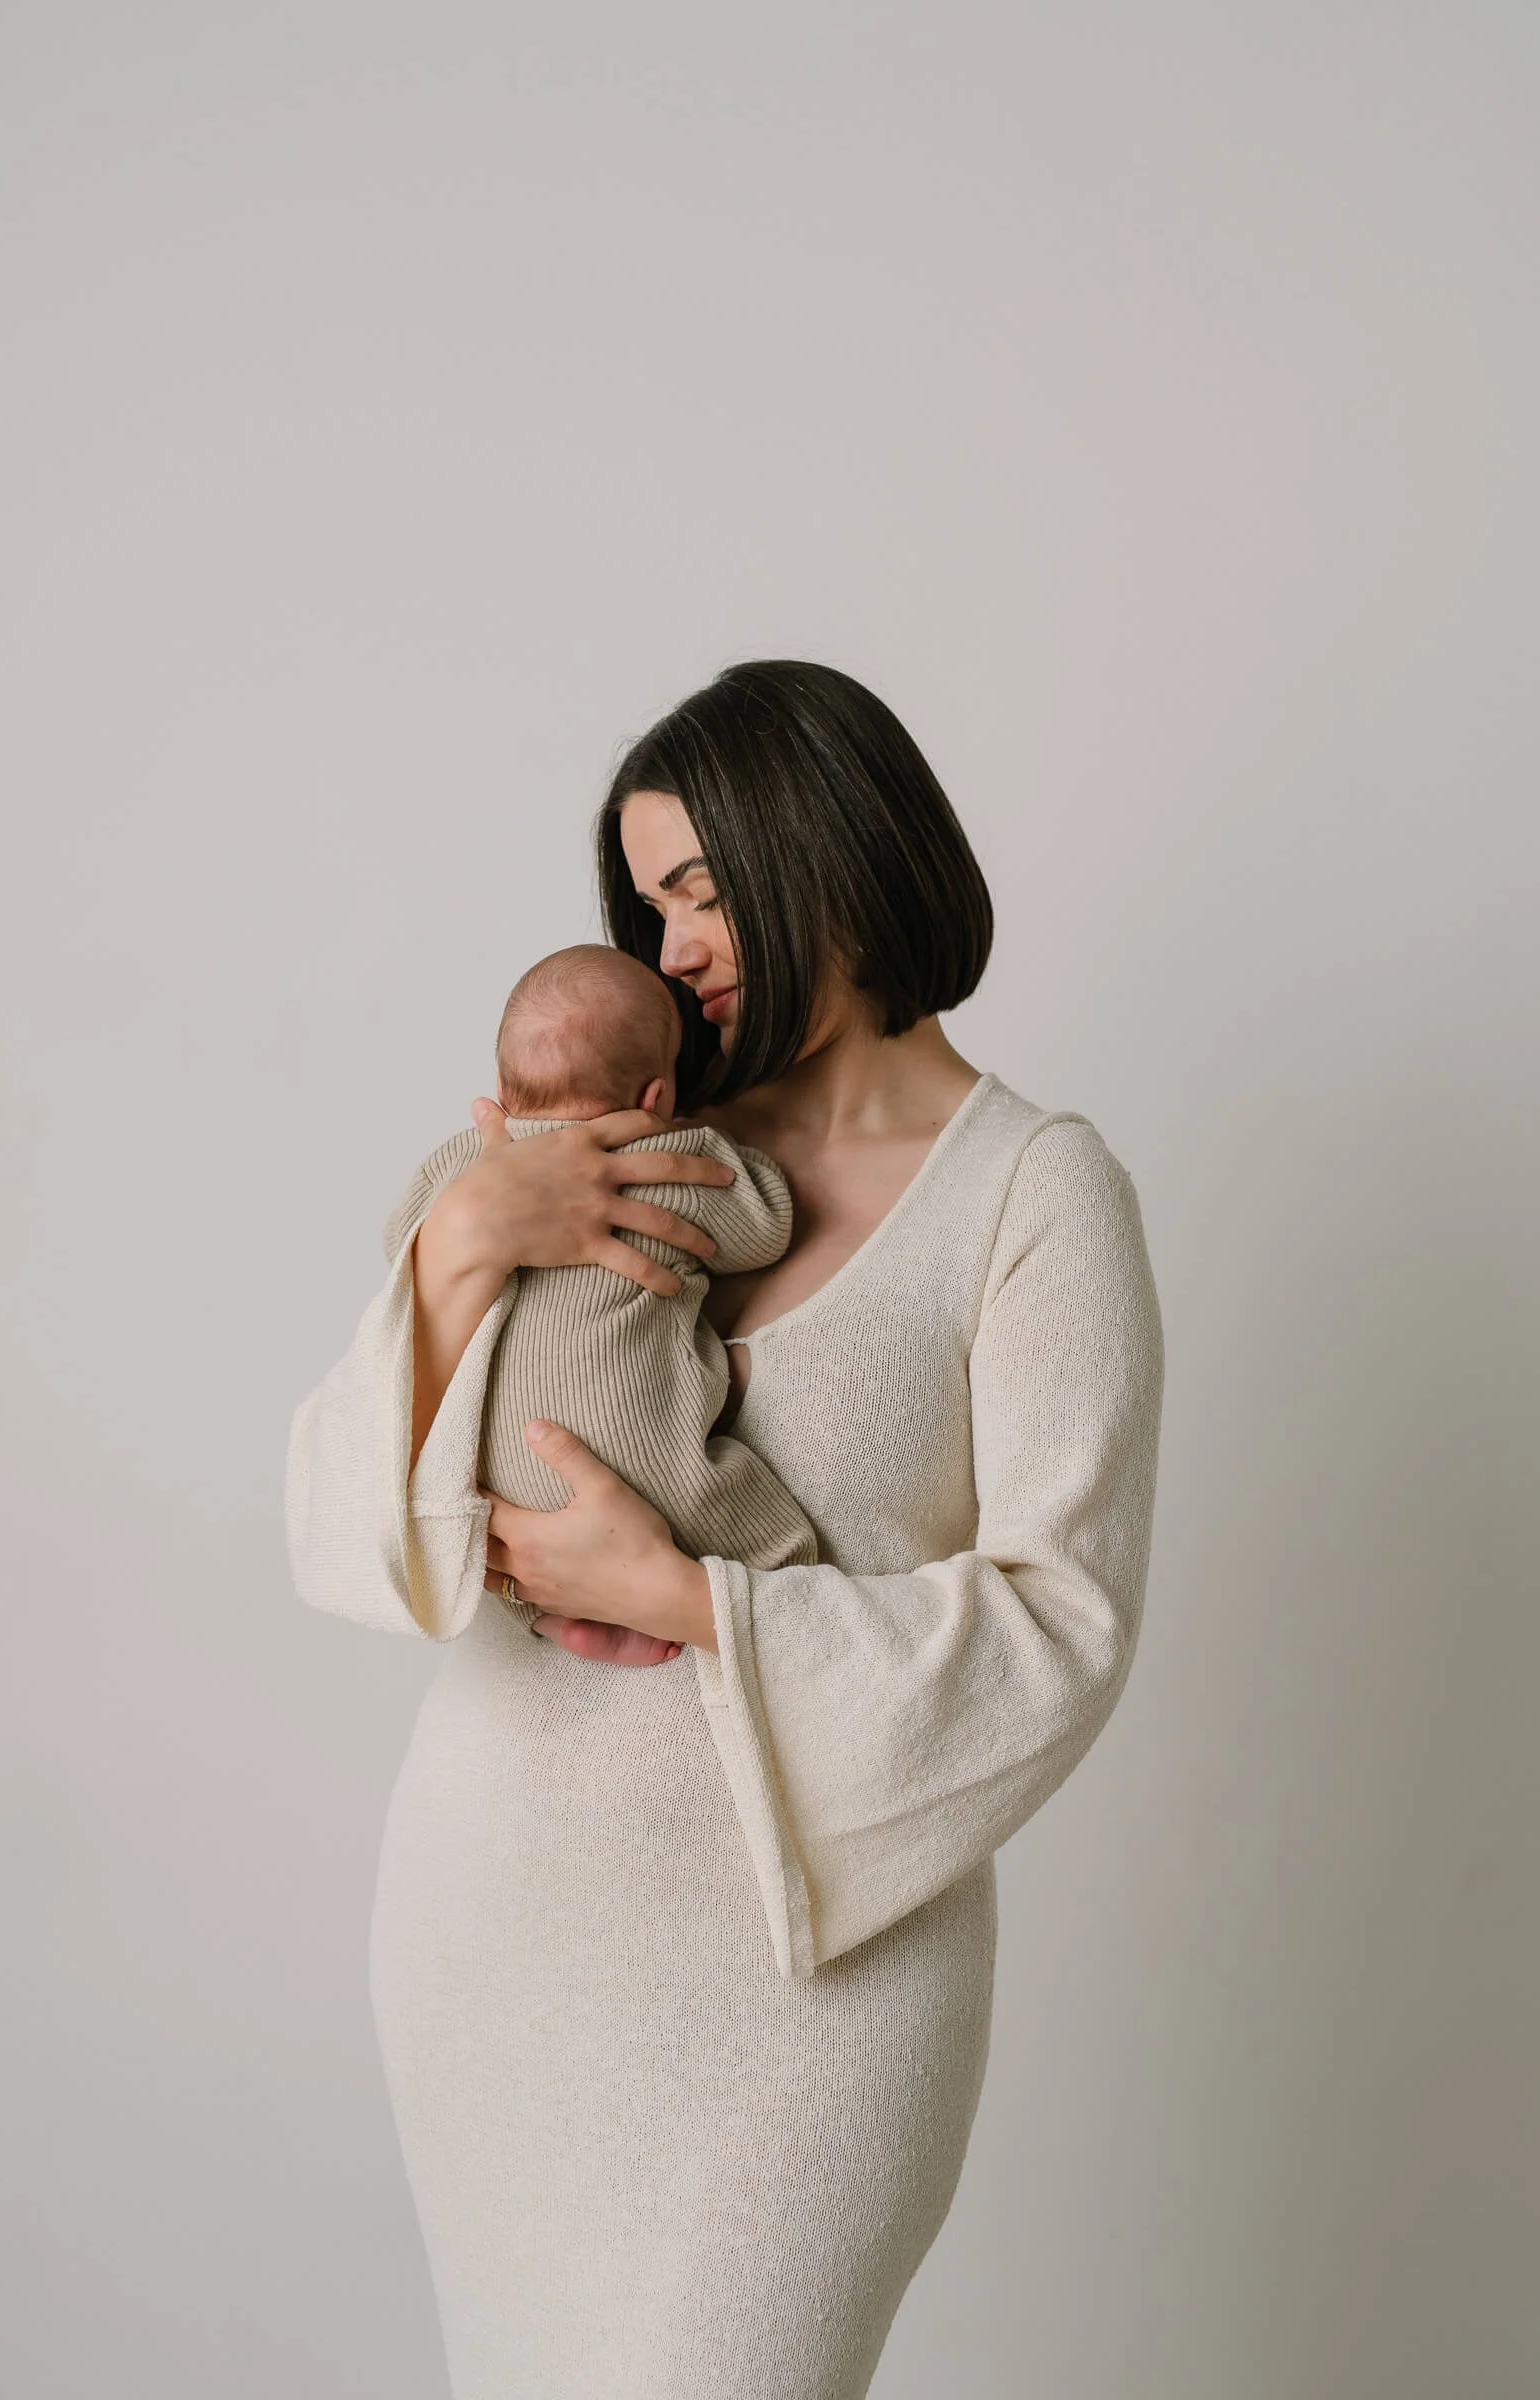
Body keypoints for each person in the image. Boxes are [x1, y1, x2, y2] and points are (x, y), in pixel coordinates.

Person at [284, 658, 1166, 2400]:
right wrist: (464, 1244)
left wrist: (687, 1597)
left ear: (829, 843)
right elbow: (337, 1511)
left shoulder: (1033, 1193)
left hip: (806, 1984)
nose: (673, 947)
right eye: (648, 900)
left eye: (699, 886)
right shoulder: (622, 1138)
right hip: (494, 1928)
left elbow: (1065, 1628)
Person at [373, 940, 816, 1652]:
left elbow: (403, 1245)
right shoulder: (667, 1160)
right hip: (645, 1469)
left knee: (496, 1550)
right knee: (766, 1553)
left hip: (504, 1492)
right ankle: (773, 1611)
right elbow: (767, 1223)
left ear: (501, 1082)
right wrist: (716, 1142)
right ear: (656, 1096)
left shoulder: (463, 1164)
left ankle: (559, 1624)